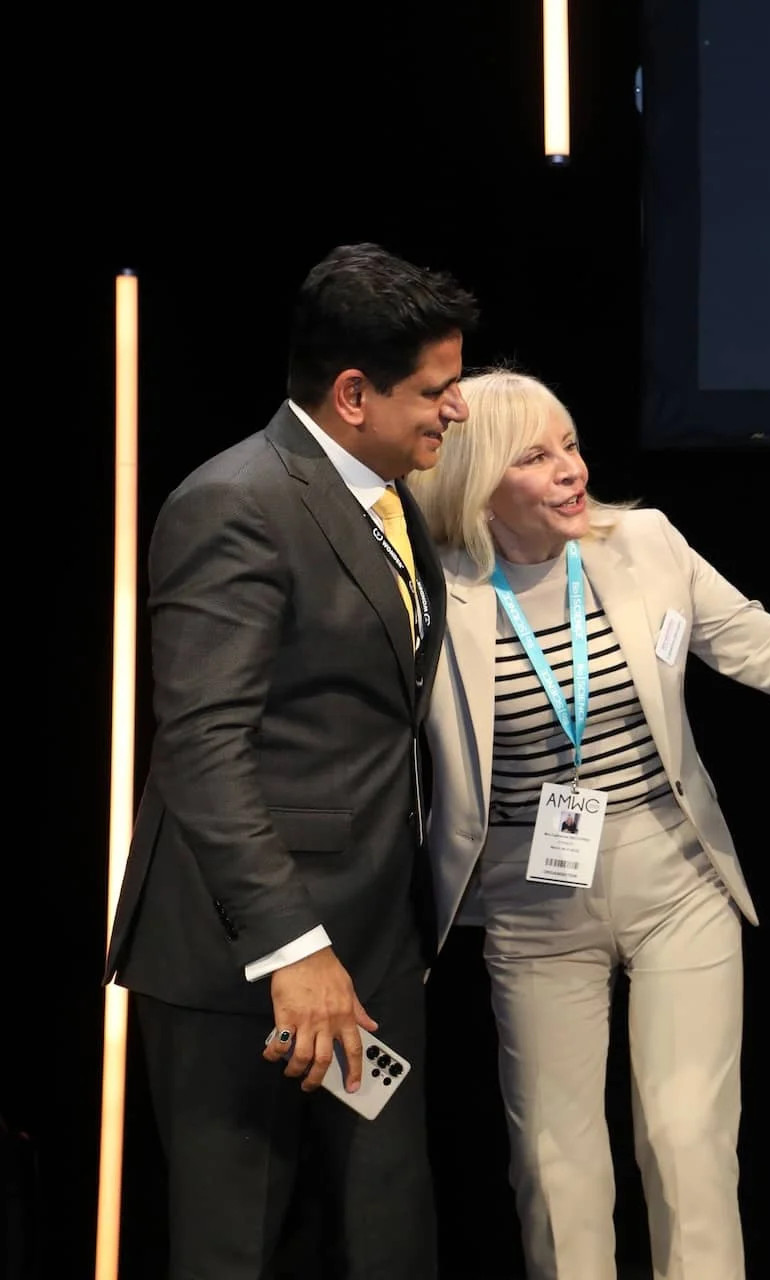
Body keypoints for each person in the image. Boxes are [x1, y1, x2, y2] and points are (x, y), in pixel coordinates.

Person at [408, 369, 770, 1280]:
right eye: (535, 457)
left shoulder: (644, 542)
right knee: (555, 1165)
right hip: (532, 901)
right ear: (476, 481)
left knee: (687, 1140)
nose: (570, 470)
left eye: (571, 445)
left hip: (674, 879)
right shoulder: (434, 590)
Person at [104, 243, 477, 1276]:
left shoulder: (388, 498)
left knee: (388, 1233)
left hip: (373, 939)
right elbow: (202, 746)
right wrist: (292, 948)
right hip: (245, 957)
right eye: (436, 391)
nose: (456, 410)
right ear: (353, 394)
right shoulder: (234, 501)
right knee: (236, 1246)